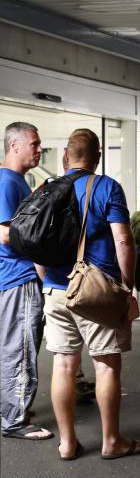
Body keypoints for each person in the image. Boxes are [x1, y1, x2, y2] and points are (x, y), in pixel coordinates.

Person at [42, 128, 140, 460]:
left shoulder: (46, 189)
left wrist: (46, 281)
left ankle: (67, 443)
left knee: (62, 365)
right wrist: (127, 288)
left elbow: (35, 242)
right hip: (97, 293)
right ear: (97, 156)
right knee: (105, 366)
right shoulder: (106, 187)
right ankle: (111, 441)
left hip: (57, 289)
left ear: (66, 156)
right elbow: (123, 241)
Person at [0, 122, 53, 440]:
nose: (39, 149)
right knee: (20, 347)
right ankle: (15, 420)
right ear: (14, 146)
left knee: (14, 345)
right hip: (19, 277)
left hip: (16, 277)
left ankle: (11, 407)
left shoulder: (15, 181)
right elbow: (5, 234)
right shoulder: (7, 181)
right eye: (34, 143)